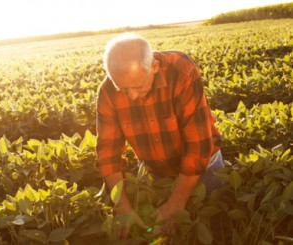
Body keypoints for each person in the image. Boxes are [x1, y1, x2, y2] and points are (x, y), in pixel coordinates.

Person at [96, 33, 224, 239]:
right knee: (165, 234)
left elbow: (198, 148)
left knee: (215, 227)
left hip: (203, 168)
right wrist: (124, 208)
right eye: (123, 89)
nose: (132, 96)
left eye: (138, 87)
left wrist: (176, 204)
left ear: (154, 66)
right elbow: (108, 156)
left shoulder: (181, 71)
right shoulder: (108, 91)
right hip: (155, 173)